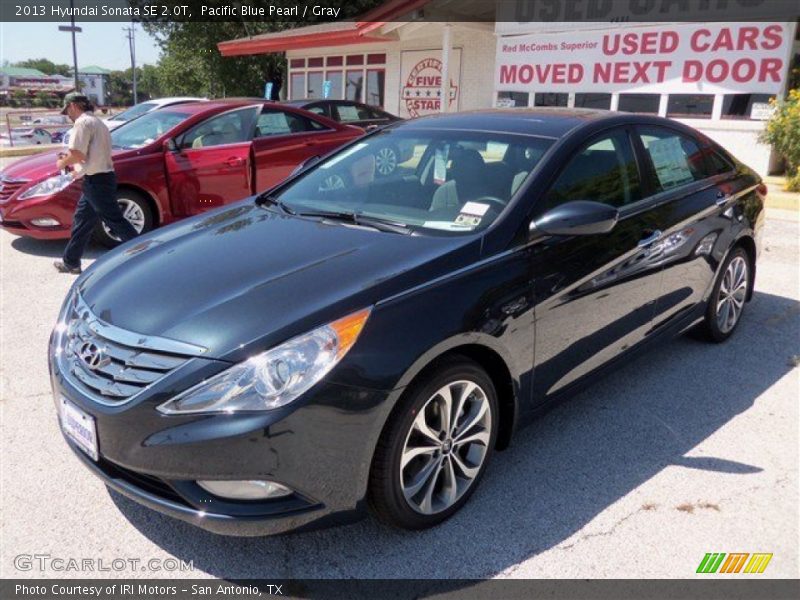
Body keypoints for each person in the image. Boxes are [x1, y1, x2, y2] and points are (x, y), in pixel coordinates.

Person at [53, 92, 138, 274]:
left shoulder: (82, 123)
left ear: (73, 106)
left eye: (67, 110)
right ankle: (71, 261)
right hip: (98, 179)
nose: (68, 114)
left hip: (97, 181)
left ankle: (146, 255)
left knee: (115, 221)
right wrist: (78, 170)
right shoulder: (98, 123)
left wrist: (62, 162)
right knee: (82, 220)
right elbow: (91, 157)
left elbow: (78, 154)